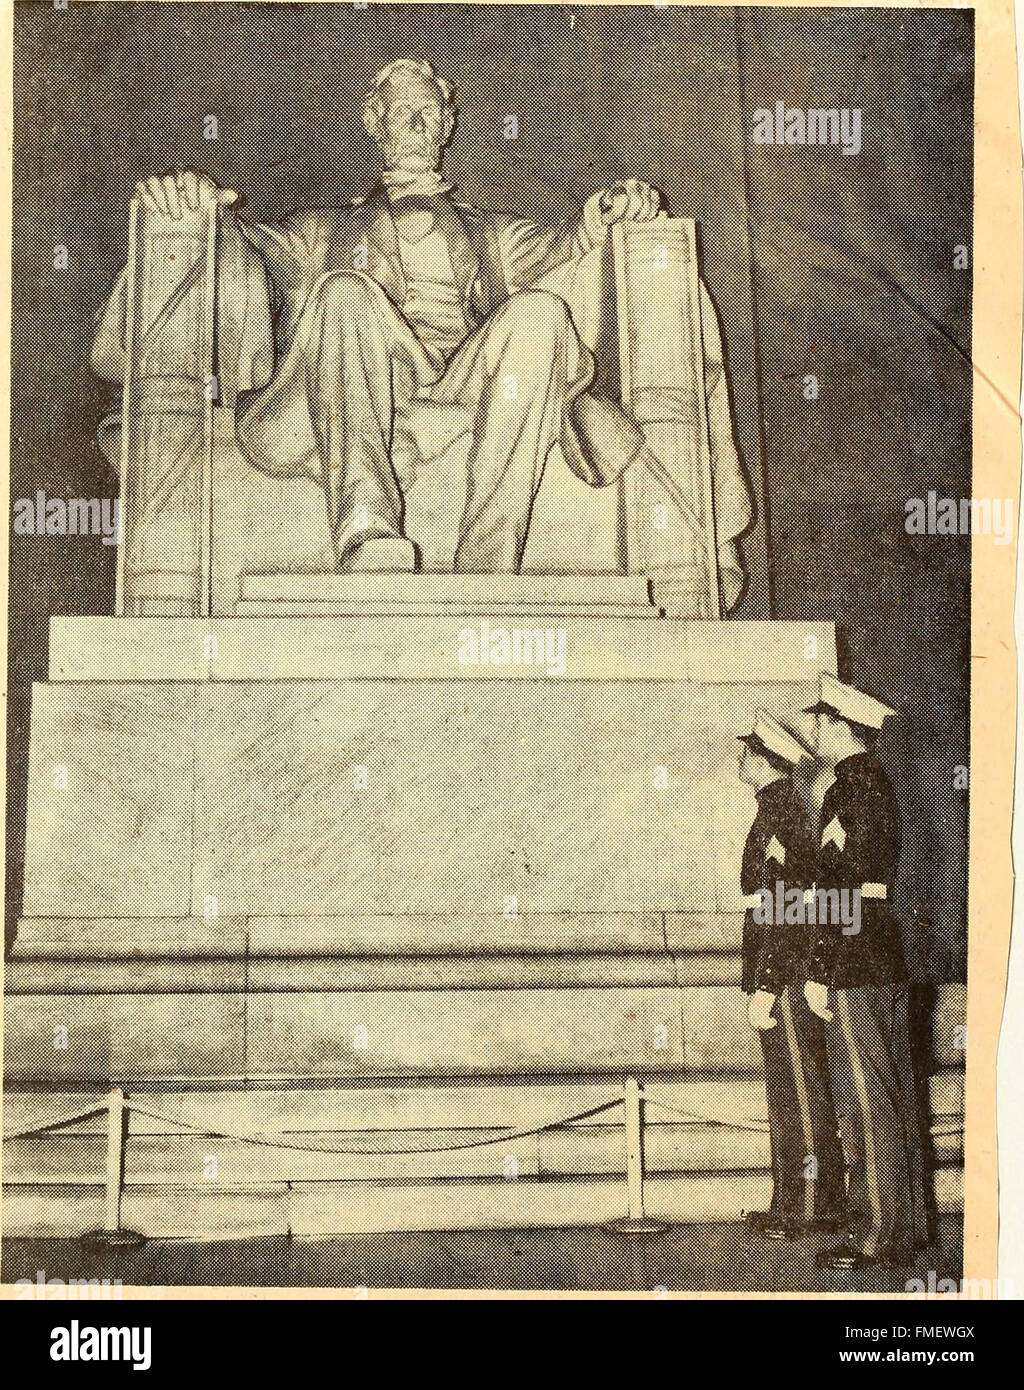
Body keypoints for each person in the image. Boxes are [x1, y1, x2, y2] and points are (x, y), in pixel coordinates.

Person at [92, 58, 752, 588]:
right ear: (373, 124)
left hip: (469, 392)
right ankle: (366, 531)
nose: (415, 118)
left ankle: (490, 559)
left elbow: (568, 247)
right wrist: (196, 202)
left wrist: (609, 210)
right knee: (346, 291)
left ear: (447, 126)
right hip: (353, 379)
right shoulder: (320, 229)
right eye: (400, 108)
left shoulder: (494, 234)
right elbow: (239, 243)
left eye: (429, 108)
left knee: (542, 312)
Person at [802, 673, 930, 1270]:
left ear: (840, 727)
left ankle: (878, 1232)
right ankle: (909, 1223)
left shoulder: (847, 793)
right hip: (884, 951)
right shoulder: (879, 786)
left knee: (866, 1100)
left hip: (853, 957)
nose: (814, 732)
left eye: (820, 722)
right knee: (893, 1093)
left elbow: (837, 887)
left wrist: (821, 968)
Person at [737, 711, 846, 1240]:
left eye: (749, 751)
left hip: (784, 970)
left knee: (803, 1093)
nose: (740, 758)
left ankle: (815, 1204)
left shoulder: (780, 815)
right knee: (788, 1091)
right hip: (780, 969)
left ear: (767, 762)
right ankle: (792, 1200)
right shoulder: (775, 811)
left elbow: (784, 907)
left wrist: (766, 981)